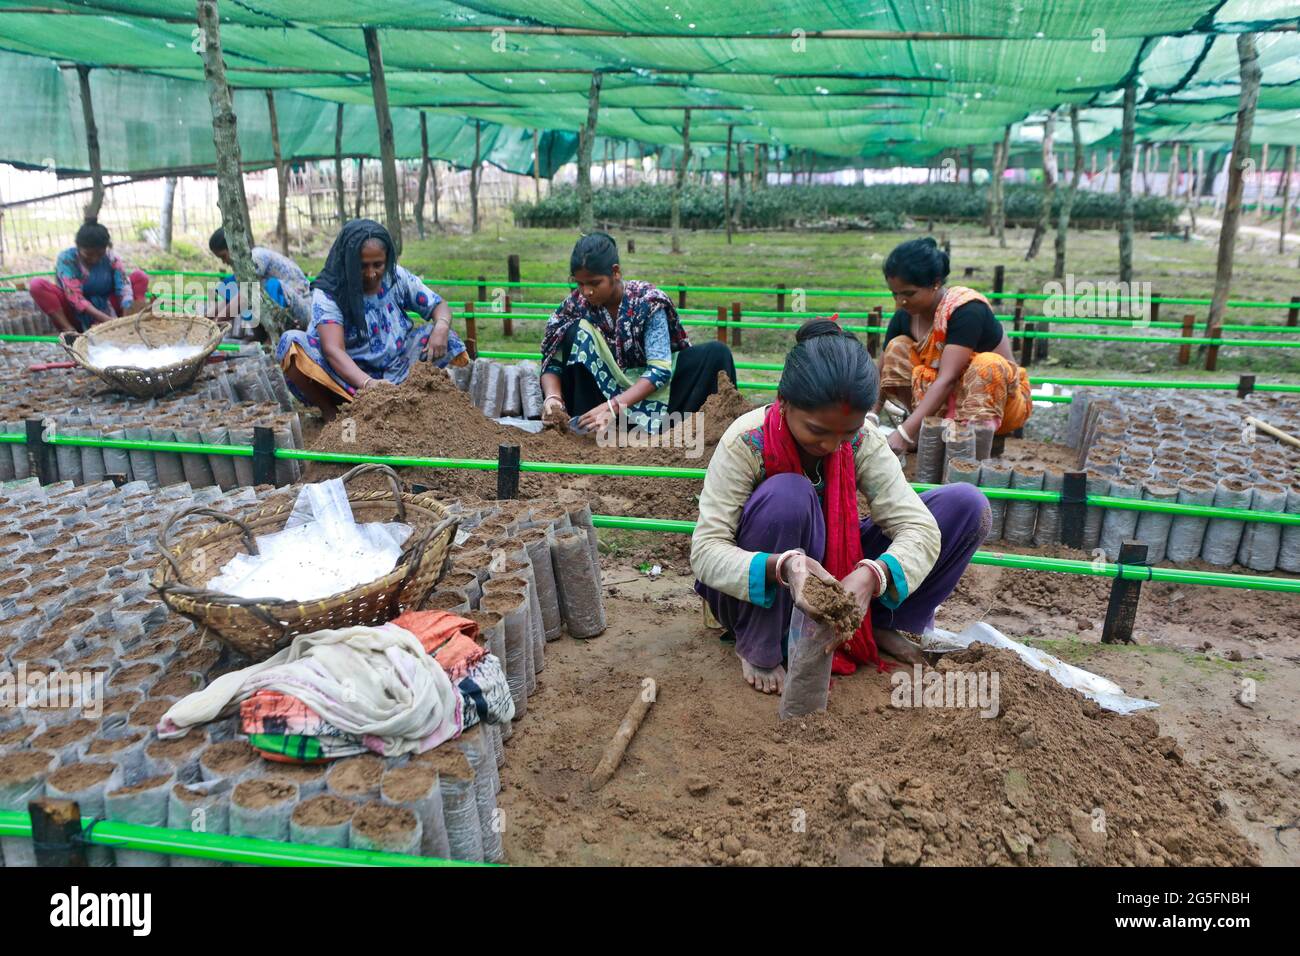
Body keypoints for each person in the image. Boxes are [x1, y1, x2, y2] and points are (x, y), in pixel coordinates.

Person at [692, 319, 990, 694]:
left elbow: (918, 528)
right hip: (764, 584)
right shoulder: (746, 441)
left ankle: (878, 621)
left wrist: (871, 575)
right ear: (783, 402)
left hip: (837, 564)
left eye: (846, 433)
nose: (833, 446)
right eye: (817, 431)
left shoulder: (862, 441)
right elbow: (705, 551)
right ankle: (760, 643)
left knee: (965, 505)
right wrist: (784, 565)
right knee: (789, 494)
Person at [539, 232, 736, 434]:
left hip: (654, 393)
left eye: (595, 283)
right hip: (598, 400)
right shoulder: (574, 306)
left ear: (615, 272)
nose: (587, 291)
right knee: (572, 331)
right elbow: (552, 361)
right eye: (580, 283)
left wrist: (613, 406)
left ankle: (686, 432)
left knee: (717, 354)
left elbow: (659, 370)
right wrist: (553, 398)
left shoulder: (648, 301)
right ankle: (586, 427)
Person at [275, 219, 467, 421]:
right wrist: (369, 384)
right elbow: (333, 350)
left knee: (444, 336)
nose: (371, 273)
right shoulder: (330, 292)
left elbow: (438, 305)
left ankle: (411, 402)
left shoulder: (396, 277)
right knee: (291, 343)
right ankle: (332, 412)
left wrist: (442, 327)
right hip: (345, 378)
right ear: (347, 261)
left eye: (378, 264)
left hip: (397, 366)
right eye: (362, 266)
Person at [878, 237, 1032, 457]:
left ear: (936, 283)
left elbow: (947, 379)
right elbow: (880, 368)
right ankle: (925, 427)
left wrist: (903, 433)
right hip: (943, 400)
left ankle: (972, 450)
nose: (899, 302)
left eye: (908, 293)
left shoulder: (966, 311)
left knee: (987, 365)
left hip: (998, 404)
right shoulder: (905, 316)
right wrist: (868, 419)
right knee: (897, 348)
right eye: (895, 293)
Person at [29, 221, 148, 334]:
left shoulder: (112, 258)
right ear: (78, 247)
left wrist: (124, 322)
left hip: (107, 304)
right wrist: (108, 321)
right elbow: (75, 297)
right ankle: (69, 329)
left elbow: (124, 288)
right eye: (89, 254)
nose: (94, 259)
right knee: (37, 285)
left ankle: (134, 322)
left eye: (100, 254)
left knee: (140, 277)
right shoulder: (67, 259)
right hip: (74, 310)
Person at [207, 227, 311, 331]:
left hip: (301, 311)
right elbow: (230, 299)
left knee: (266, 287)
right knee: (231, 284)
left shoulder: (256, 257)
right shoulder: (245, 266)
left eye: (223, 256)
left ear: (234, 247)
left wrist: (217, 323)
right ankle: (262, 336)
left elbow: (245, 295)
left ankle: (271, 335)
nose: (224, 262)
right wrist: (207, 319)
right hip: (286, 306)